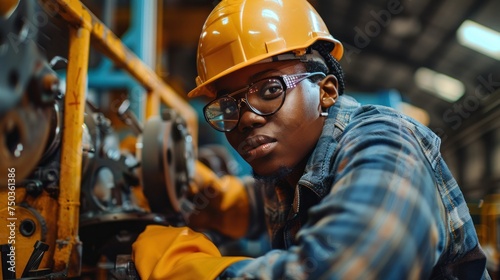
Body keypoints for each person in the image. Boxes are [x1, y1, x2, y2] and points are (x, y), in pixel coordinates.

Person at [132, 0, 490, 279]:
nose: (246, 118)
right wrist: (214, 198)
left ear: (326, 91)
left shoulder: (387, 143)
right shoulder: (292, 173)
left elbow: (345, 270)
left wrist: (186, 270)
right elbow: (265, 203)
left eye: (270, 89)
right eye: (227, 105)